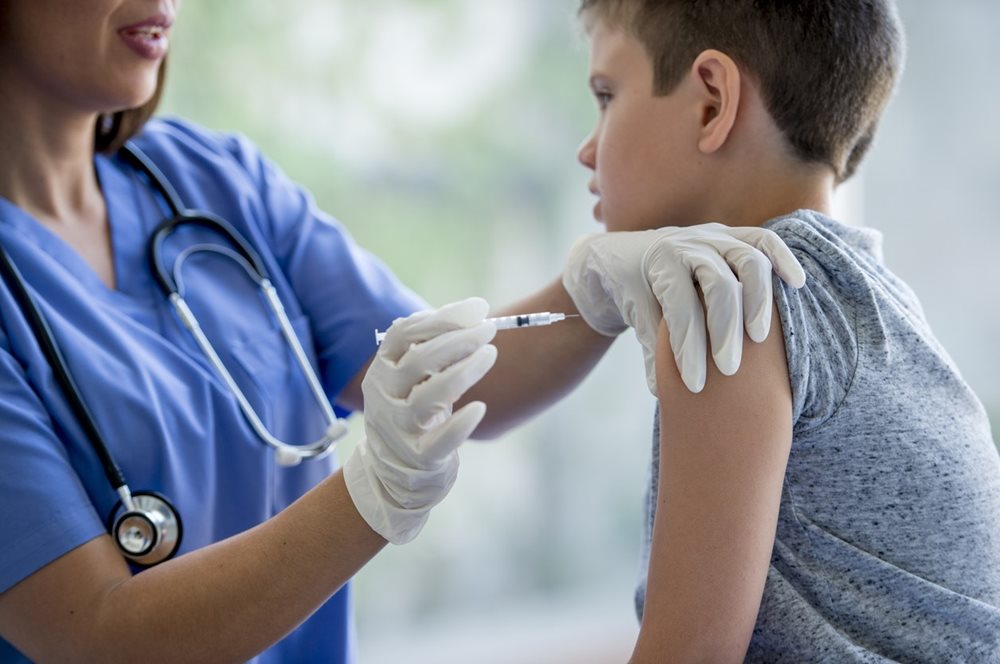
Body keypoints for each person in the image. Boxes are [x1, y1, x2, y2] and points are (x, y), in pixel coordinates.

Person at [0, 1, 808, 662]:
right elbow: (92, 632)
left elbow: (447, 376)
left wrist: (589, 288)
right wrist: (370, 492)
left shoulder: (213, 183)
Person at [568, 0, 1000, 660]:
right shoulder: (875, 299)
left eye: (606, 96)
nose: (587, 149)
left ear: (711, 102)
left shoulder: (735, 298)